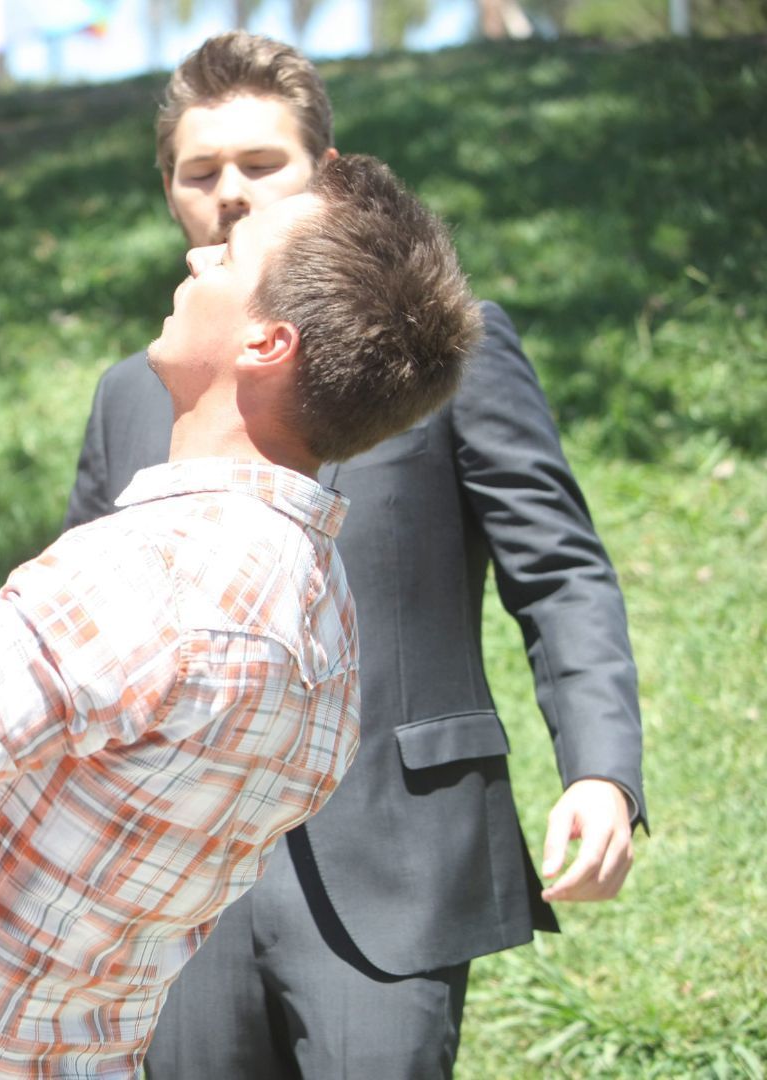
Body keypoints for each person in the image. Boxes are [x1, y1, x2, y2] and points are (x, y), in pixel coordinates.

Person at [0, 154, 481, 1077]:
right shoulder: (321, 616)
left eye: (233, 255)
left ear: (266, 344)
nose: (203, 257)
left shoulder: (150, 574)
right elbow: (125, 765)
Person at [60, 32, 644, 1078]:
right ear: (170, 191)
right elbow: (83, 637)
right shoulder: (131, 392)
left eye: (260, 163)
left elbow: (557, 569)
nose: (229, 194)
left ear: (325, 173)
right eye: (201, 173)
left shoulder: (443, 348)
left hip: (390, 858)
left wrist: (601, 770)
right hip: (175, 889)